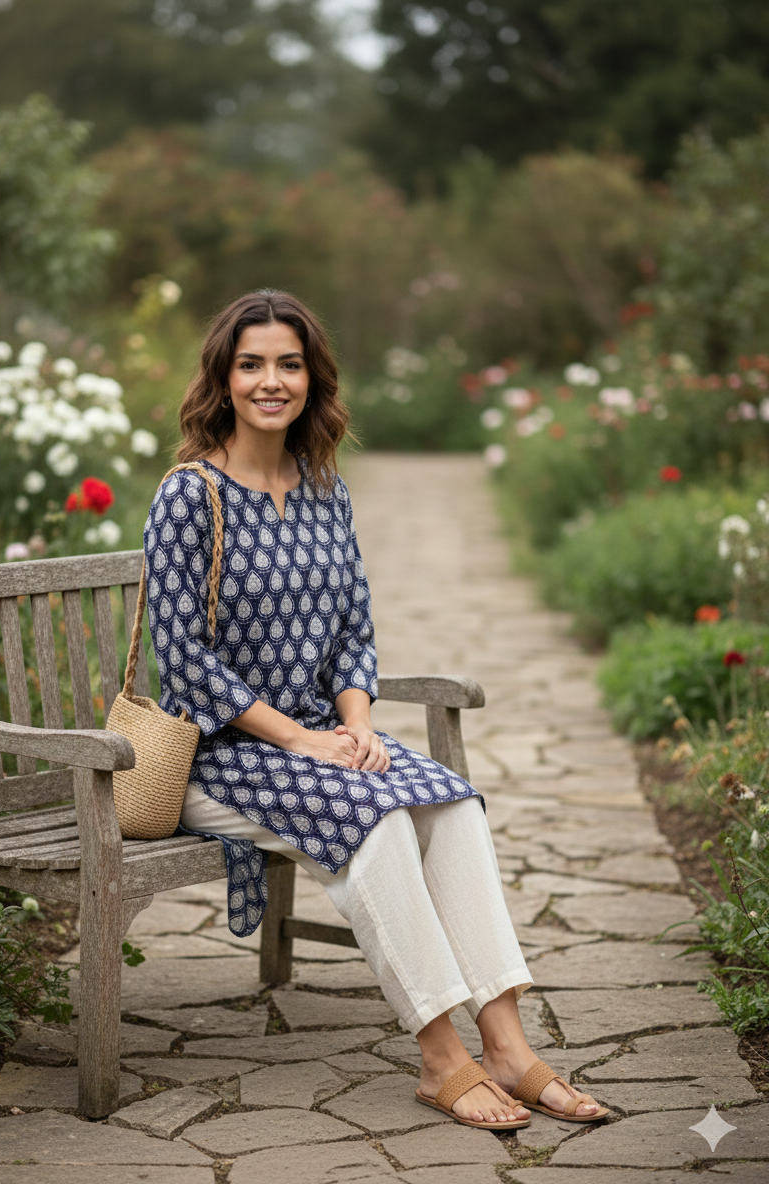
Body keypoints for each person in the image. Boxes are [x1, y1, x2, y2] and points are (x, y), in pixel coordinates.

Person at [144, 289, 608, 1129]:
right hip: (219, 754)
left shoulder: (327, 490)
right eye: (252, 364)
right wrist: (304, 741)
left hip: (320, 739)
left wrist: (355, 725)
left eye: (289, 364)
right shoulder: (188, 497)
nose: (271, 381)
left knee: (449, 802)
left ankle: (506, 1046)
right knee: (380, 820)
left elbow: (355, 629)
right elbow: (183, 660)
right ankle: (441, 1059)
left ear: (312, 379)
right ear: (223, 378)